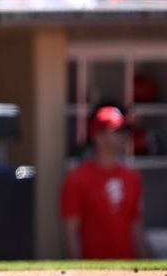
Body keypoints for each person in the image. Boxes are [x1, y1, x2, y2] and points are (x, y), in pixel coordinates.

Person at [60, 106, 149, 259]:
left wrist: (145, 261)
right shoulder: (77, 178)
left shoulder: (132, 177)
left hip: (128, 269)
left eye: (124, 131)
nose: (123, 136)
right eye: (116, 131)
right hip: (93, 271)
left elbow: (136, 225)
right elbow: (71, 229)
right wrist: (78, 269)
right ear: (98, 137)